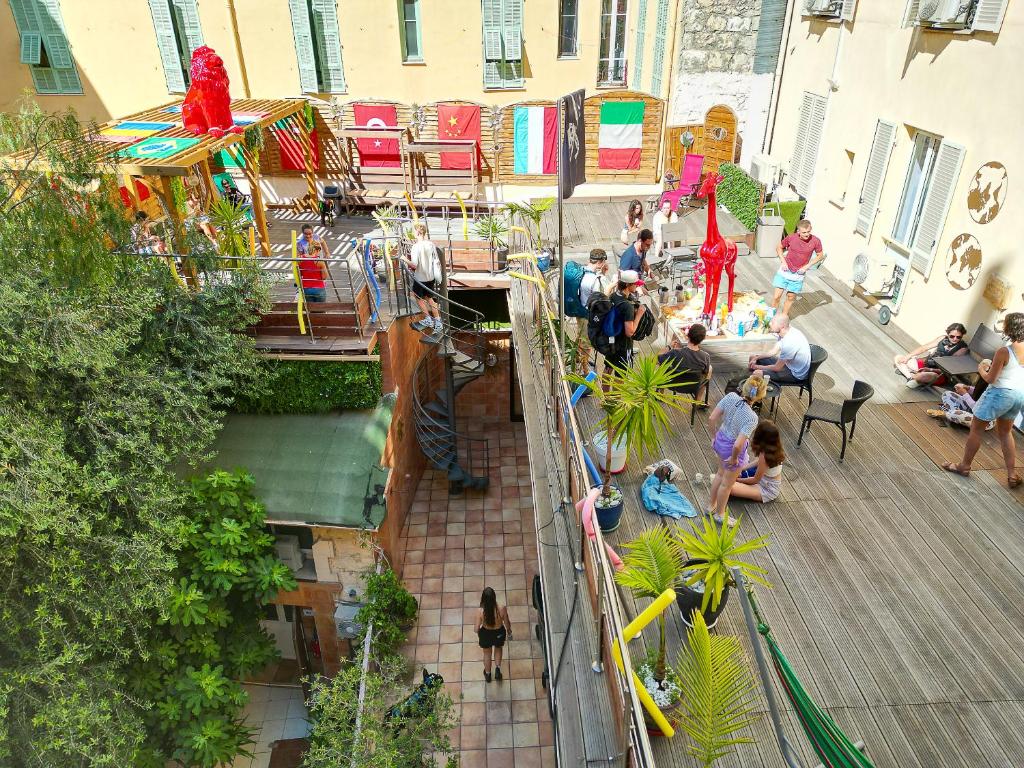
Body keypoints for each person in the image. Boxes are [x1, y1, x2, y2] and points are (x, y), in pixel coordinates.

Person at [942, 312, 1024, 488]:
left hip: (999, 394)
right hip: (1018, 395)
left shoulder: (1004, 351)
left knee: (976, 430)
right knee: (1005, 432)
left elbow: (991, 379)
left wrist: (981, 368)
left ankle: (964, 466)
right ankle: (1012, 474)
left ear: (1010, 328)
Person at [708, 373, 768, 524]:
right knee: (727, 484)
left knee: (720, 474)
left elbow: (712, 418)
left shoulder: (730, 397)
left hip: (721, 439)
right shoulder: (751, 417)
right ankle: (720, 514)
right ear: (759, 396)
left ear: (744, 387)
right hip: (732, 450)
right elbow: (738, 444)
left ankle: (710, 506)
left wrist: (714, 437)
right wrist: (734, 458)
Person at [770, 220, 825, 316]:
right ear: (798, 231)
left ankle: (783, 317)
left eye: (808, 231)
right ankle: (771, 317)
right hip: (785, 271)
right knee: (776, 297)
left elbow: (820, 255)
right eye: (804, 232)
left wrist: (807, 266)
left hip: (798, 274)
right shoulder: (791, 237)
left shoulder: (816, 241)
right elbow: (779, 247)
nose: (807, 234)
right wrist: (783, 261)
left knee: (790, 297)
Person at [602, 270, 646, 384]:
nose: (637, 286)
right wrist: (639, 314)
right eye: (635, 284)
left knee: (608, 369)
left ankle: (606, 398)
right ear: (627, 285)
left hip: (611, 340)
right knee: (620, 375)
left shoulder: (613, 296)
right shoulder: (627, 306)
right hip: (623, 345)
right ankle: (616, 401)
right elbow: (630, 332)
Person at [893, 322, 969, 389]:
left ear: (962, 336)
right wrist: (908, 356)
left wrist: (930, 370)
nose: (955, 339)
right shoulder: (942, 338)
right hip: (927, 364)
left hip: (937, 373)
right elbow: (924, 348)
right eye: (952, 336)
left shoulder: (962, 348)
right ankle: (911, 378)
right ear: (948, 333)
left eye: (958, 337)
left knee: (926, 376)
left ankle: (913, 375)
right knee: (899, 358)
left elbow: (949, 369)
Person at [730, 421, 785, 503]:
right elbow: (758, 462)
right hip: (763, 479)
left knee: (729, 487)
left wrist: (737, 480)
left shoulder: (765, 456)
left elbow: (755, 480)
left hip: (766, 489)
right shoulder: (775, 447)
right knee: (733, 473)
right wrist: (741, 468)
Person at [748, 314, 810, 384]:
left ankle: (752, 391)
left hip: (794, 373)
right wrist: (756, 358)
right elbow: (773, 351)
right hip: (787, 364)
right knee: (753, 357)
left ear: (782, 326)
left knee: (757, 373)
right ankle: (749, 379)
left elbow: (777, 368)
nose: (770, 324)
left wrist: (756, 367)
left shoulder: (790, 342)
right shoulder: (784, 332)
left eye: (773, 323)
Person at [658, 322, 713, 403]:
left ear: (688, 335)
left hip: (672, 384)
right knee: (710, 369)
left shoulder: (675, 353)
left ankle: (660, 394)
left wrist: (669, 346)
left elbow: (658, 358)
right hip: (693, 387)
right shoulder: (705, 357)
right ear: (702, 339)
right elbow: (705, 373)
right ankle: (698, 400)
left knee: (663, 363)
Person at [404, 222, 442, 334]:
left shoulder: (416, 247)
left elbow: (414, 265)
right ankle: (438, 322)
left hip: (420, 278)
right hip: (430, 277)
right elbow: (436, 260)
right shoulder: (430, 244)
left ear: (417, 232)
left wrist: (404, 259)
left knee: (418, 298)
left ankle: (428, 320)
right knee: (429, 298)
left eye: (413, 231)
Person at [476, 587, 512, 682]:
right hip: (498, 633)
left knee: (487, 653)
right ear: (494, 597)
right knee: (498, 649)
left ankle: (488, 674)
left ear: (483, 598)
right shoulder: (502, 608)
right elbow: (507, 623)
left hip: (486, 634)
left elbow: (476, 629)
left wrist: (479, 632)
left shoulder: (480, 611)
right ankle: (497, 669)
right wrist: (509, 631)